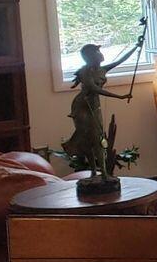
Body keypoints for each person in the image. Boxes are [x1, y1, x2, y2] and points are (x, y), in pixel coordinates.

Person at [62, 30, 145, 179]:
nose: (101, 53)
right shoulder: (85, 72)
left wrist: (137, 46)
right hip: (82, 106)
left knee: (98, 138)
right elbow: (95, 89)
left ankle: (102, 173)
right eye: (97, 51)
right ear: (91, 55)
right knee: (92, 137)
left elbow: (120, 61)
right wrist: (120, 96)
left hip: (94, 105)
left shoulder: (102, 69)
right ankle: (99, 172)